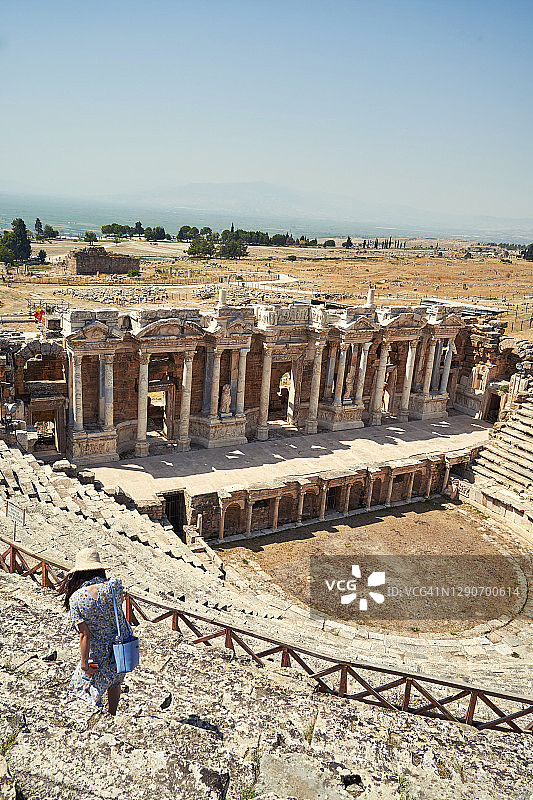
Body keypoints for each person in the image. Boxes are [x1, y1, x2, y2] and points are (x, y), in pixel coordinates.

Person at [58, 548, 132, 715]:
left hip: (98, 653)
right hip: (122, 648)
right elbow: (117, 609)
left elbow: (84, 634)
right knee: (115, 681)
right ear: (99, 569)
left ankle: (97, 716)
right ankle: (112, 713)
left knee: (82, 686)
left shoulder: (76, 599)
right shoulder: (115, 585)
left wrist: (84, 663)